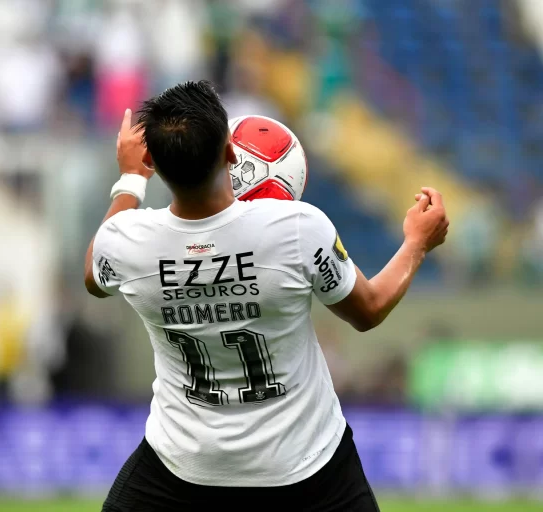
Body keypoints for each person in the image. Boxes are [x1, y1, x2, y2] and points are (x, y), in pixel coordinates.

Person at [84, 81, 449, 511]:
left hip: (183, 469)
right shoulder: (296, 228)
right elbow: (368, 310)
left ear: (153, 162)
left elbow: (94, 274)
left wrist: (129, 179)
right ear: (231, 153)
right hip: (308, 467)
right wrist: (416, 244)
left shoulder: (128, 241)